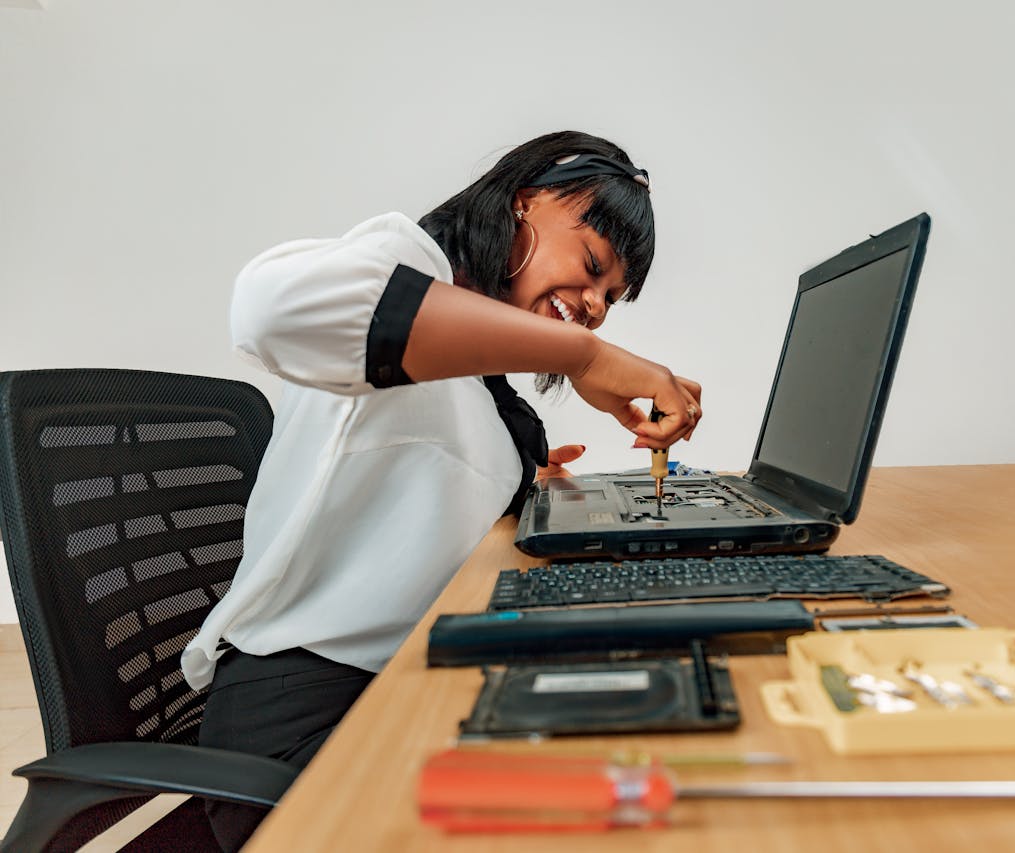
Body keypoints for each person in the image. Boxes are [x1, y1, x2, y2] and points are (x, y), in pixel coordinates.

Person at [180, 130, 701, 850]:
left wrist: (527, 487)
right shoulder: (411, 263)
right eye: (590, 266)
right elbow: (270, 309)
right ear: (527, 201)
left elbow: (410, 486)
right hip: (301, 726)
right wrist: (584, 353)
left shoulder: (479, 376)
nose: (595, 305)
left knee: (634, 776)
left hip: (395, 691)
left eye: (610, 299)